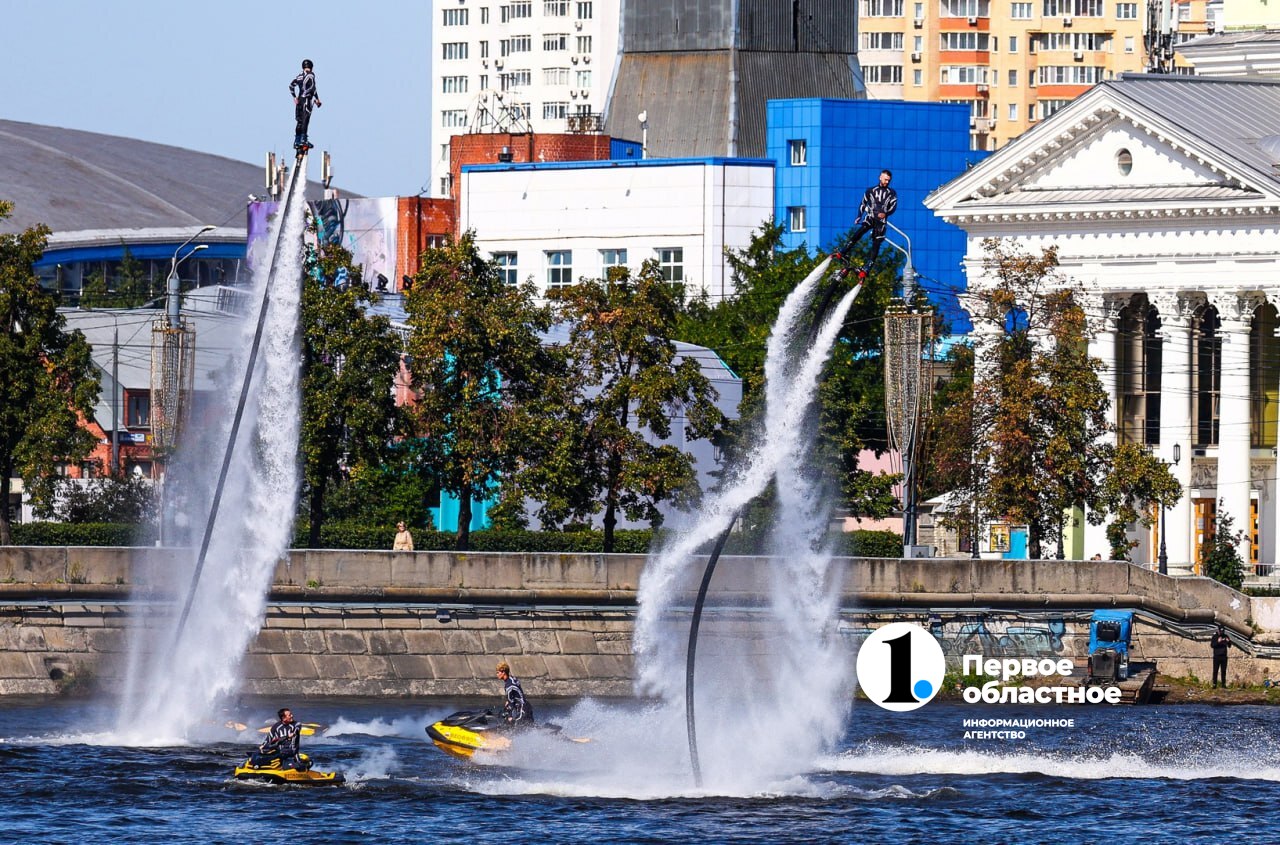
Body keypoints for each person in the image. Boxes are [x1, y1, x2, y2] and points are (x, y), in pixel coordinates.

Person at [832, 169, 898, 280]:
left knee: (876, 243)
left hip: (881, 221)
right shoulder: (870, 190)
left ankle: (868, 266)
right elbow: (863, 203)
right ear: (880, 177)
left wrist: (885, 213)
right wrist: (859, 216)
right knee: (861, 230)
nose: (887, 182)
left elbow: (893, 206)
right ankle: (845, 249)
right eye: (885, 179)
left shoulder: (891, 193)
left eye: (889, 180)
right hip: (870, 217)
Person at [289, 59, 322, 150]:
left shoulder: (299, 76)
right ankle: (303, 139)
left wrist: (294, 97)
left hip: (299, 100)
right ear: (311, 67)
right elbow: (313, 88)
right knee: (305, 120)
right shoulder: (311, 75)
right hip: (307, 100)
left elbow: (291, 86)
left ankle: (297, 140)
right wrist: (317, 99)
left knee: (299, 121)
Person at [496, 661, 535, 727]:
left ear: (503, 672)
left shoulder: (508, 686)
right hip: (527, 706)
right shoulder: (513, 678)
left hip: (523, 709)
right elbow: (517, 693)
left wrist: (510, 716)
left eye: (498, 672)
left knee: (515, 726)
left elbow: (511, 704)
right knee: (531, 727)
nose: (497, 674)